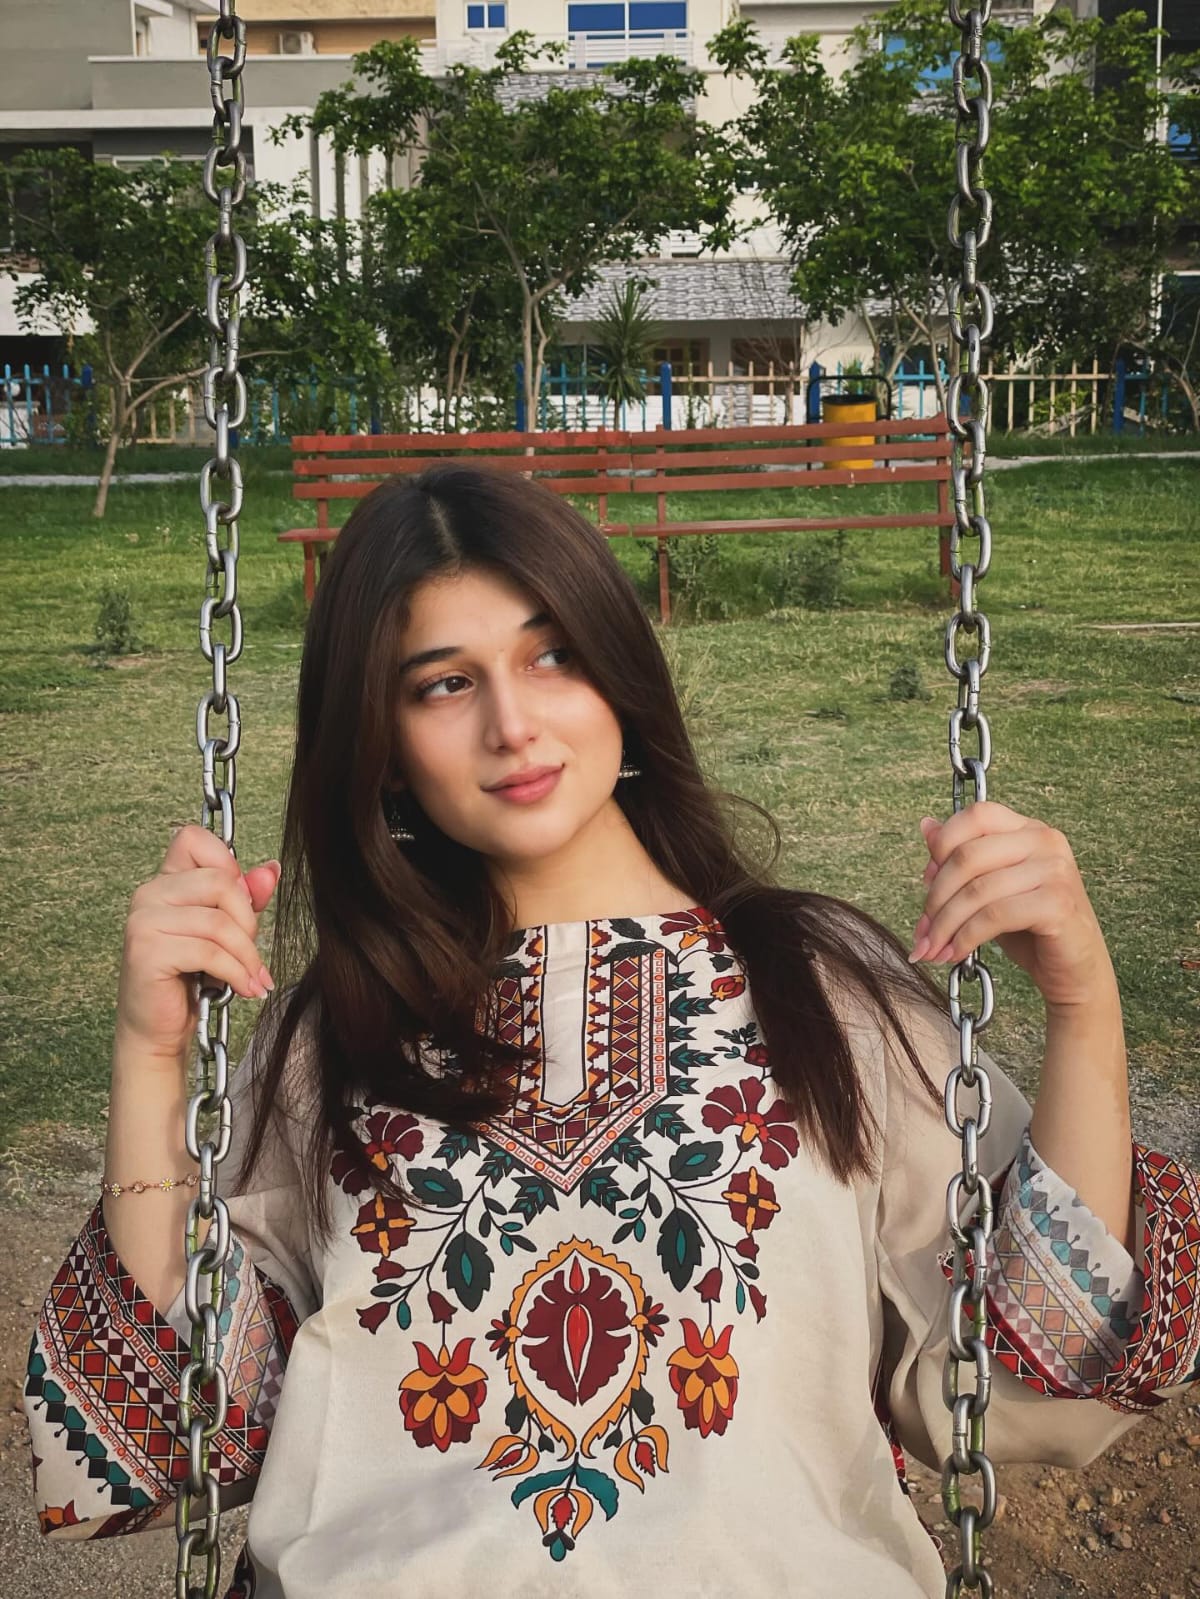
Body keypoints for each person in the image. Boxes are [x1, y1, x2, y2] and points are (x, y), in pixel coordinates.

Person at [24, 462, 1200, 1598]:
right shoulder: (335, 1037)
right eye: (444, 683)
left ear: (620, 677)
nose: (513, 723)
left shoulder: (821, 989)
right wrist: (150, 1054)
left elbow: (1047, 1367)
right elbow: (163, 1426)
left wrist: (1084, 1008)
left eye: (553, 656)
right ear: (381, 751)